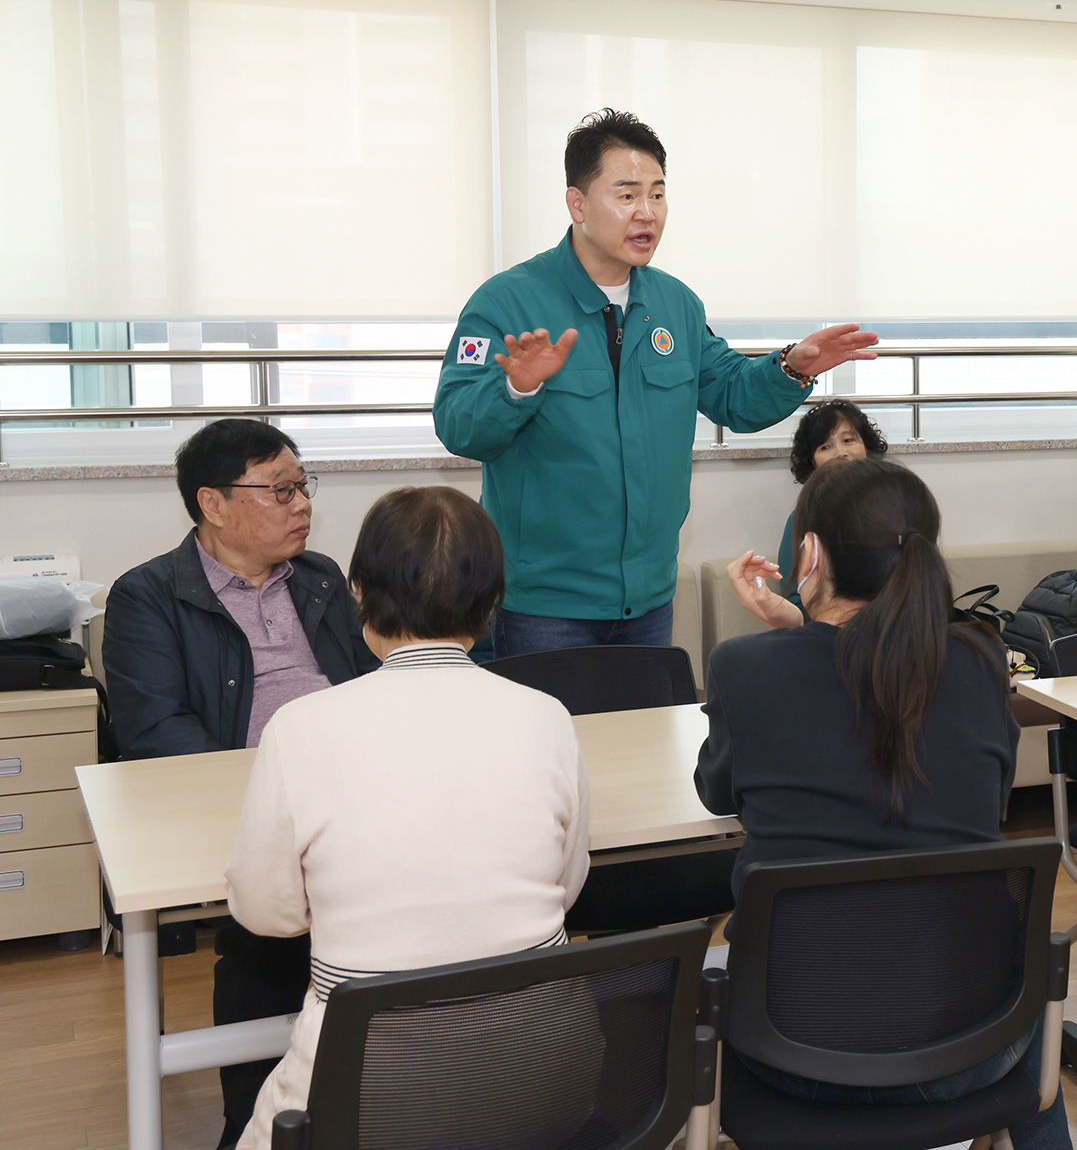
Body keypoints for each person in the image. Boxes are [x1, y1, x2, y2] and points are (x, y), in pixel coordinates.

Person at [694, 458, 1070, 1149]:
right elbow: (985, 803)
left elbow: (718, 790)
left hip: (791, 1055)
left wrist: (788, 634)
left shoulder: (744, 667)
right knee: (1024, 979)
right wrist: (800, 630)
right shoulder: (980, 661)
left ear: (810, 553)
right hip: (973, 1046)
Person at [434, 108, 879, 658]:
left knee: (649, 720)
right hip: (543, 605)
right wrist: (515, 390)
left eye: (658, 194)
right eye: (626, 195)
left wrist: (792, 367)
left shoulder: (675, 304)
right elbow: (458, 426)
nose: (646, 212)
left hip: (648, 600)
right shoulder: (508, 301)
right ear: (577, 204)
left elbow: (733, 395)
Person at [226, 487, 590, 1150]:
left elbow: (265, 912)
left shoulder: (301, 727)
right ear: (493, 600)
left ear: (361, 591)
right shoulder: (547, 714)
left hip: (368, 1084)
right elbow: (565, 887)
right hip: (546, 1071)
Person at [102, 418, 376, 1149]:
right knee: (268, 944)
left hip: (356, 796)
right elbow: (156, 733)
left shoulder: (320, 578)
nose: (302, 504)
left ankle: (399, 1093)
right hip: (250, 811)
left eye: (303, 486)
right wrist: (278, 802)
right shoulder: (147, 596)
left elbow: (373, 684)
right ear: (213, 504)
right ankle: (253, 1121)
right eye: (280, 490)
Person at [775, 399, 889, 604]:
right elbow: (794, 596)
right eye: (825, 446)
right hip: (826, 623)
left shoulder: (900, 503)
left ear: (866, 446)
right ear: (812, 461)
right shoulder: (804, 517)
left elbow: (927, 576)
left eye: (848, 440)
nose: (840, 452)